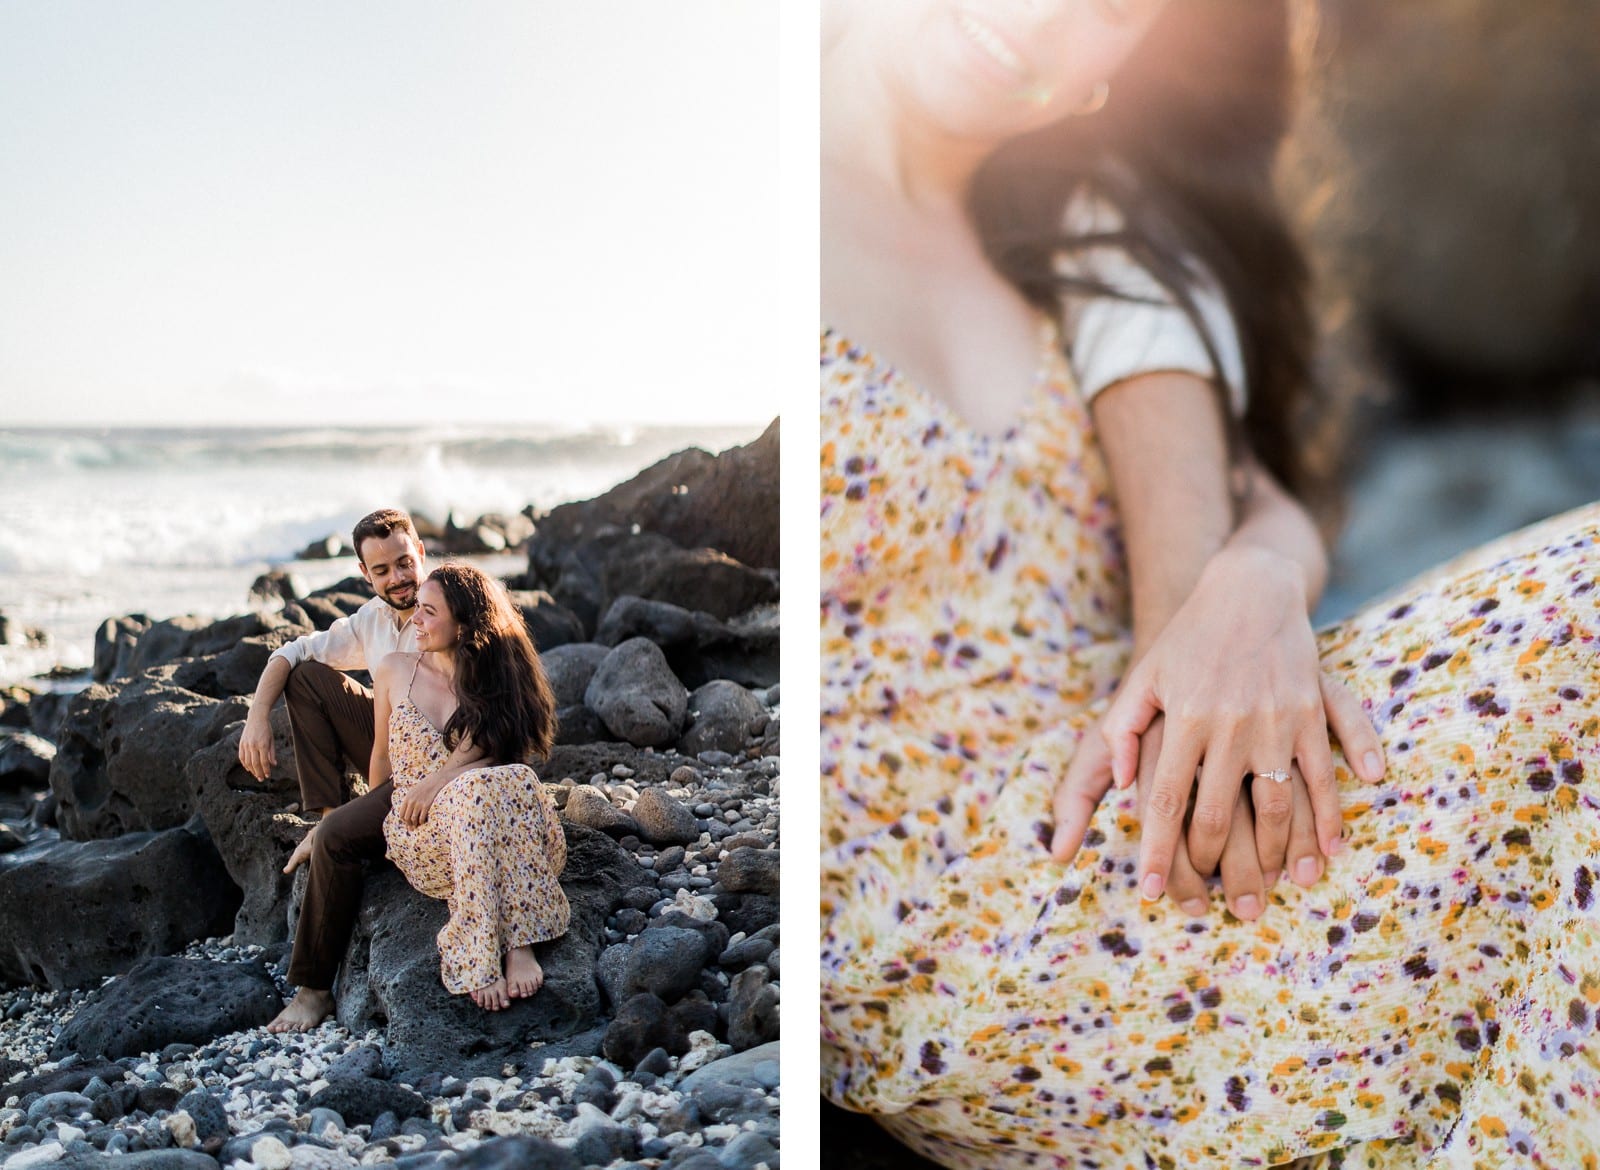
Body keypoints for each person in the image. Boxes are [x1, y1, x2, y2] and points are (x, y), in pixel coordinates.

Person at [820, 1, 1600, 1166]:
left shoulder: (1096, 243)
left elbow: (1232, 513)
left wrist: (1256, 578)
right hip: (973, 939)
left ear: (1116, 75)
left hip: (1174, 807)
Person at [243, 507, 426, 1033]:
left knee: (337, 842)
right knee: (306, 677)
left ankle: (313, 990)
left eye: (404, 563)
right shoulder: (371, 618)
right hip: (387, 751)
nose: (398, 578)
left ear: (420, 553)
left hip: (434, 768)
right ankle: (326, 811)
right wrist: (256, 719)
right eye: (383, 570)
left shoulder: (444, 606)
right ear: (366, 575)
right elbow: (292, 652)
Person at [373, 563, 569, 1010]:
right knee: (478, 789)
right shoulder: (393, 669)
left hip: (497, 824)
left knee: (510, 778)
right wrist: (365, 821)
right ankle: (478, 952)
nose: (415, 620)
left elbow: (508, 757)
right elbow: (381, 756)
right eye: (416, 609)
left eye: (428, 612)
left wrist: (441, 780)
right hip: (428, 835)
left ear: (464, 626)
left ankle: (519, 944)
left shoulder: (494, 675)